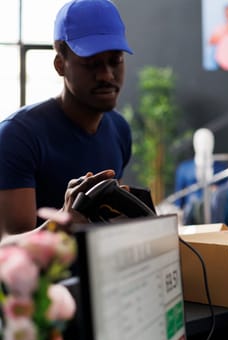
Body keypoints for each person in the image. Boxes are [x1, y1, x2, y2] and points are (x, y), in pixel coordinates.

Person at [0, 0, 133, 235]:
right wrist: (63, 222)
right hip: (48, 274)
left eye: (115, 61)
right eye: (91, 64)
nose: (106, 75)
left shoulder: (120, 130)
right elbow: (8, 248)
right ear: (60, 65)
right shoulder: (17, 136)